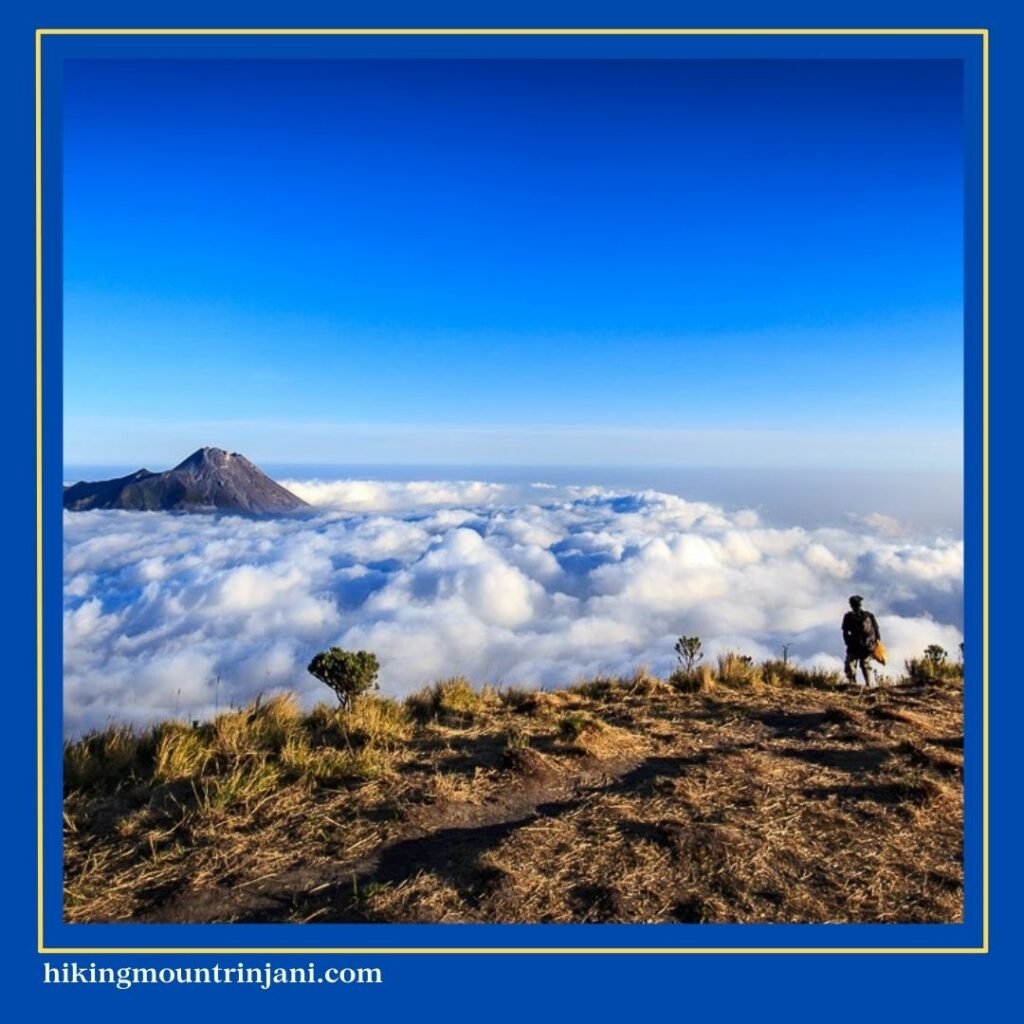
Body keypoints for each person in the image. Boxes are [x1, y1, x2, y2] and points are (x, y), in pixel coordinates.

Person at [842, 595, 881, 688]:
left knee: (857, 665)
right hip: (861, 646)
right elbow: (877, 631)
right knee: (860, 665)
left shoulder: (853, 616)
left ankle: (859, 685)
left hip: (860, 646)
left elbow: (845, 632)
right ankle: (863, 685)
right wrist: (875, 644)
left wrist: (848, 642)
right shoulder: (867, 616)